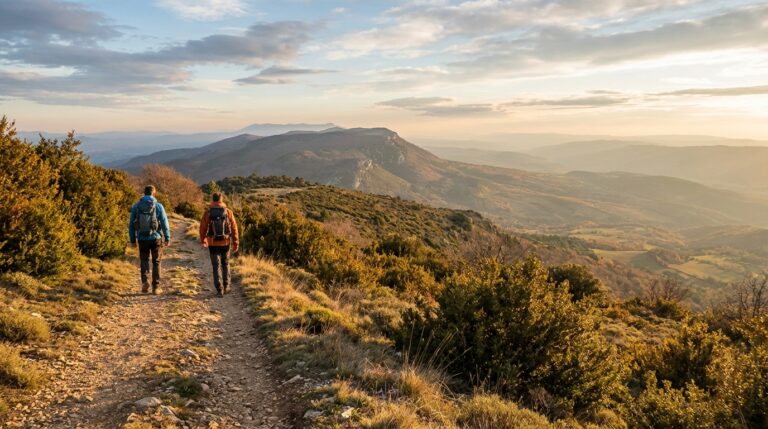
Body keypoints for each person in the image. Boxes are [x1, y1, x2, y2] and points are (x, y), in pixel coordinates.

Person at [129, 185, 171, 294]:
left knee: (144, 260)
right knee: (156, 261)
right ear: (154, 193)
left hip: (142, 238)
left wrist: (133, 240)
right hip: (156, 238)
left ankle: (145, 282)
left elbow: (131, 225)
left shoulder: (136, 206)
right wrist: (167, 237)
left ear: (144, 193)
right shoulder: (159, 206)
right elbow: (165, 223)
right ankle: (156, 287)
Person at [199, 192, 239, 297]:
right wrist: (235, 242)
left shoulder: (208, 212)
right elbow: (234, 228)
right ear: (221, 200)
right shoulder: (228, 212)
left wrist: (203, 239)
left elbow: (202, 227)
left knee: (215, 265)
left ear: (213, 200)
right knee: (225, 264)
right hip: (225, 242)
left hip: (212, 242)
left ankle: (219, 290)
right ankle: (227, 286)